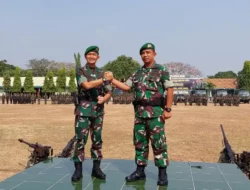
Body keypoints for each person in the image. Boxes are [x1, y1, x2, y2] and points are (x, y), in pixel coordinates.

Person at [105, 43, 174, 186]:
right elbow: (126, 86)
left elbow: (170, 89)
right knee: (139, 143)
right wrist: (112, 80)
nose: (145, 55)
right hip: (140, 115)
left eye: (148, 52)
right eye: (143, 53)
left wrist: (168, 109)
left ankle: (162, 173)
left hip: (156, 114)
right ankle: (140, 171)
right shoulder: (137, 72)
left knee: (159, 143)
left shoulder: (161, 70)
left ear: (154, 54)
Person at [71, 46, 112, 182]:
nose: (91, 56)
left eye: (94, 54)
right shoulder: (81, 70)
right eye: (89, 54)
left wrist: (105, 98)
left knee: (97, 140)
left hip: (98, 112)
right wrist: (104, 79)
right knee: (80, 140)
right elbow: (86, 85)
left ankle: (96, 168)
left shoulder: (102, 72)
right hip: (83, 111)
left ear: (98, 57)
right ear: (85, 57)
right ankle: (78, 170)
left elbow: (108, 91)